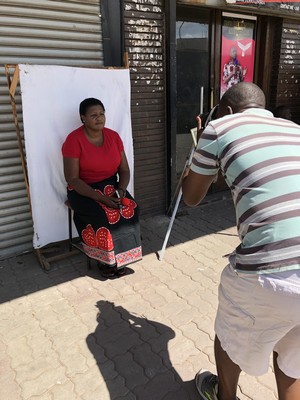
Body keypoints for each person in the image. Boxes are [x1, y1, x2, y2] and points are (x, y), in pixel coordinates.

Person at [182, 82, 300, 400]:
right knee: (292, 356)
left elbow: (192, 197)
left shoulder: (220, 126)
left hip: (270, 272)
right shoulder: (292, 128)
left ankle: (225, 395)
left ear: (228, 110)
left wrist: (197, 151)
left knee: (228, 335)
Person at [62, 98, 142, 277]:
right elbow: (72, 178)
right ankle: (105, 262)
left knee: (131, 208)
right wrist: (102, 198)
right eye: (93, 115)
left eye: (102, 114)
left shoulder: (113, 137)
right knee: (103, 215)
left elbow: (125, 170)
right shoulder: (73, 140)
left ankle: (123, 258)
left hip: (111, 186)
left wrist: (120, 192)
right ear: (83, 118)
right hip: (83, 189)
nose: (99, 118)